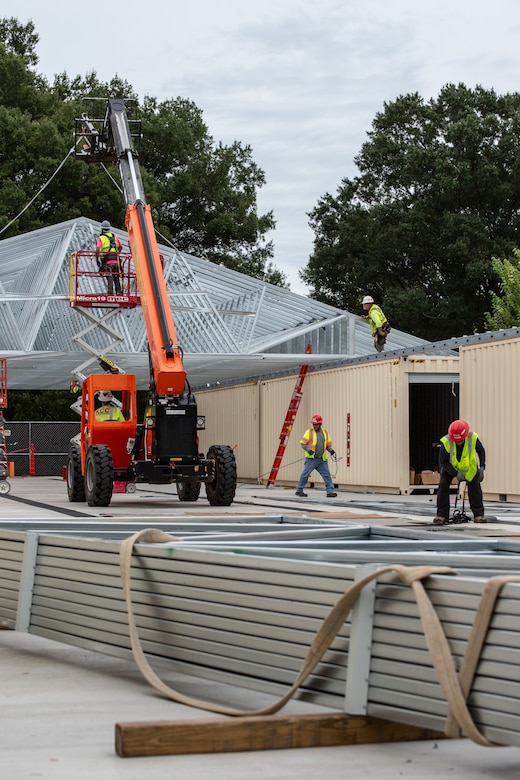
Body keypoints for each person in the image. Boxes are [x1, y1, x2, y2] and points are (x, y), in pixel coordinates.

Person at [433, 419, 486, 524]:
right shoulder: (446, 441)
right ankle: (442, 515)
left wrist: (482, 467)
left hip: (469, 468)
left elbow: (481, 451)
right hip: (451, 467)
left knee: (475, 487)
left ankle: (479, 515)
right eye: (456, 440)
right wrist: (455, 473)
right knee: (443, 485)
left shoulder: (472, 437)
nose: (458, 442)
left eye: (460, 440)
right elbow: (443, 461)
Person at [295, 414, 337, 497]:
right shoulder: (309, 432)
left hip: (322, 459)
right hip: (311, 459)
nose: (314, 426)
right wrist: (308, 450)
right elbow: (303, 444)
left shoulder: (325, 432)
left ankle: (330, 491)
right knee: (305, 474)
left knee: (327, 475)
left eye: (316, 424)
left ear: (320, 424)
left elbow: (327, 445)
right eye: (313, 424)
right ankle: (299, 490)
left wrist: (331, 451)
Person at [96, 220, 123, 295]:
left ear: (102, 229)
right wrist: (117, 254)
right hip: (116, 260)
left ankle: (110, 292)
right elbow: (121, 246)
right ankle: (119, 291)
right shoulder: (115, 236)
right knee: (116, 276)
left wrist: (97, 259)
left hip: (107, 261)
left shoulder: (101, 238)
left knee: (109, 275)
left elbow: (98, 249)